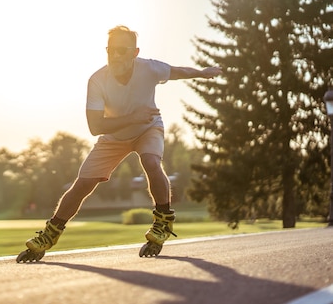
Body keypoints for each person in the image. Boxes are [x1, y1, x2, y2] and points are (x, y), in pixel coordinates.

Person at [18, 25, 222, 261]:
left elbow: (177, 71)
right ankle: (50, 234)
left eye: (122, 50)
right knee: (82, 184)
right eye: (111, 50)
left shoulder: (149, 68)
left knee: (151, 162)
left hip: (148, 128)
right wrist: (131, 119)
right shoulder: (97, 80)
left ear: (134, 53)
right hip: (113, 138)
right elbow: (95, 127)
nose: (115, 56)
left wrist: (201, 72)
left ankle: (163, 221)